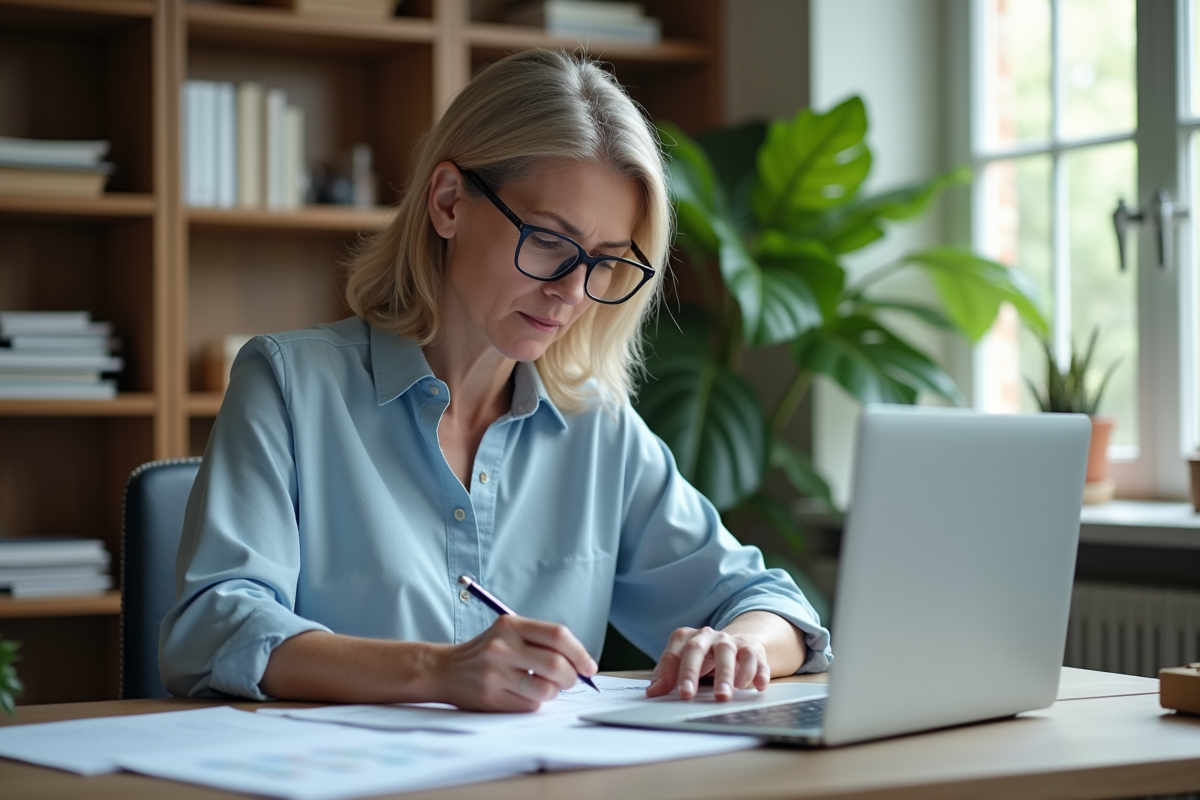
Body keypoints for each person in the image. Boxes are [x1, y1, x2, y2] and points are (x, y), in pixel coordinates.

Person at [160, 49, 831, 712]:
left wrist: (742, 644)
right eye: (546, 239)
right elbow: (216, 625)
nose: (572, 292)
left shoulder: (597, 427)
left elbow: (772, 606)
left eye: (605, 261)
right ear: (449, 202)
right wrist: (436, 671)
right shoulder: (288, 386)